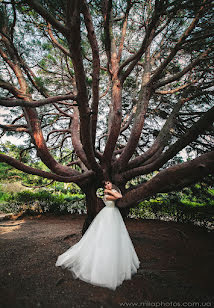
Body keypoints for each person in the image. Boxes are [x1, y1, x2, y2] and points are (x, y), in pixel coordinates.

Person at [55, 181, 140, 290]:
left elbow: (119, 195)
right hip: (108, 214)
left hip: (112, 214)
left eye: (108, 183)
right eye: (105, 185)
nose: (107, 186)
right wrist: (110, 191)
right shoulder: (107, 193)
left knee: (116, 236)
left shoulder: (109, 191)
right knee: (104, 235)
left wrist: (111, 191)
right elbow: (119, 196)